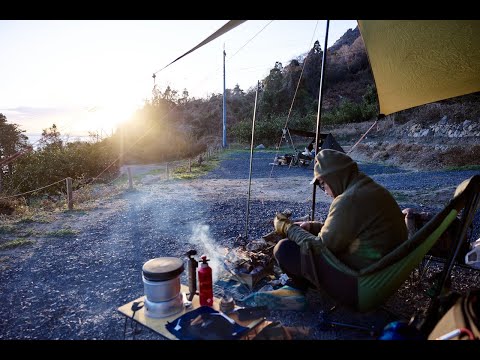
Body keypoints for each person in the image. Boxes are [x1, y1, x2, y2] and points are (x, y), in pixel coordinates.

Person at [244, 149, 408, 311]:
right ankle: (294, 289)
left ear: (335, 177)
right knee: (302, 244)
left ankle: (295, 292)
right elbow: (349, 233)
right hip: (377, 280)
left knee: (285, 249)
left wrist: (287, 227)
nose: (325, 192)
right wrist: (313, 226)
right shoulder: (368, 190)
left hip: (359, 289)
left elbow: (319, 248)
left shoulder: (349, 200)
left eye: (323, 184)